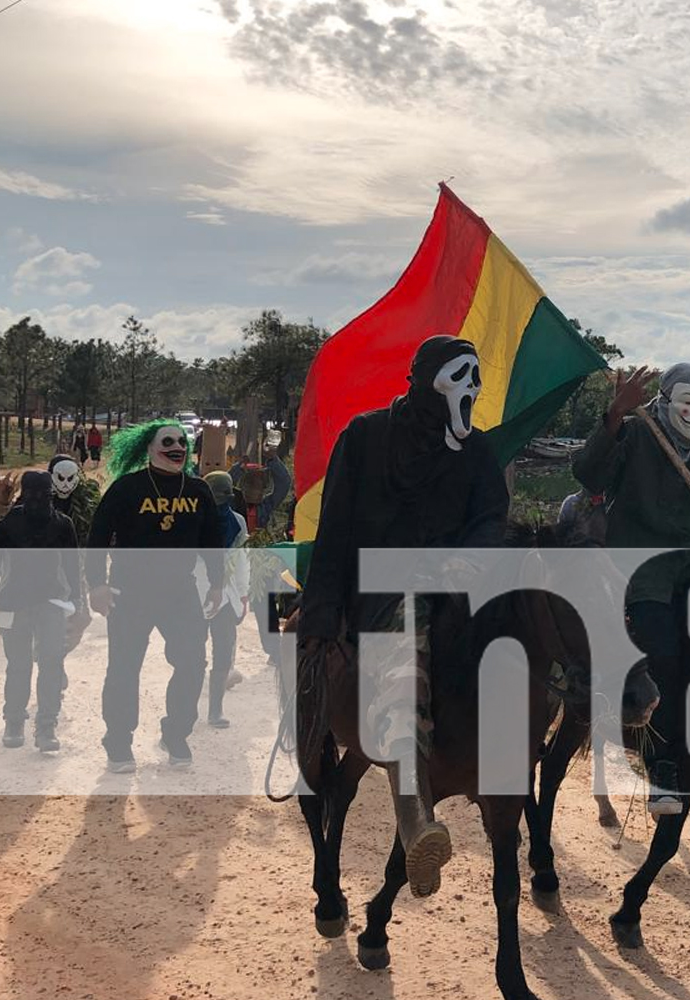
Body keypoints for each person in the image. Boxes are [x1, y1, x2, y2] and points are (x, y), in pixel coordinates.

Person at [298, 336, 508, 898]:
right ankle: (414, 813)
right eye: (461, 376)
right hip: (381, 590)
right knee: (405, 643)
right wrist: (320, 613)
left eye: (477, 377)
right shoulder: (366, 437)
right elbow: (335, 527)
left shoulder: (478, 452)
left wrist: (473, 557)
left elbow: (491, 517)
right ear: (428, 379)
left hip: (458, 588)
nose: (474, 389)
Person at [572, 363, 690, 815]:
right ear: (664, 402)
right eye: (689, 402)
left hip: (689, 565)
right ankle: (661, 767)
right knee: (662, 653)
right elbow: (589, 473)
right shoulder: (635, 435)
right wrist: (613, 416)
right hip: (635, 565)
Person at [86, 421, 225, 773]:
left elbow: (212, 541)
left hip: (180, 593)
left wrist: (217, 583)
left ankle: (176, 734)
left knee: (193, 663)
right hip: (129, 594)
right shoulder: (126, 489)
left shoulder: (197, 490)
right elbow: (98, 535)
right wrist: (96, 585)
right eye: (168, 441)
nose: (177, 446)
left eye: (182, 441)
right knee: (124, 668)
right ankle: (118, 743)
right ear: (149, 447)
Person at [0, 471, 81, 752]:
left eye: (42, 495)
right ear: (23, 494)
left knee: (51, 665)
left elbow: (73, 569)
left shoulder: (62, 525)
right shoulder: (8, 525)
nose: (36, 500)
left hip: (52, 604)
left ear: (50, 496)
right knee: (18, 666)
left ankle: (46, 727)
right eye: (32, 494)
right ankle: (14, 721)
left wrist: (78, 607)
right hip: (13, 604)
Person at [195, 471, 250, 728]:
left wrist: (242, 592)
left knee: (223, 653)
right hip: (194, 593)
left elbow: (241, 560)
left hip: (226, 597)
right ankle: (187, 707)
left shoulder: (237, 522)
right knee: (192, 655)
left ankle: (215, 710)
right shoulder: (192, 517)